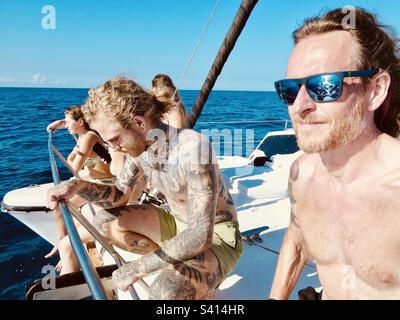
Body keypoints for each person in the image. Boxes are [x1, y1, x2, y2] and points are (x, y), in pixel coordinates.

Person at [47, 77, 243, 299]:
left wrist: (138, 267)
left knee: (165, 291)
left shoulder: (193, 148)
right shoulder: (141, 149)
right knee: (104, 222)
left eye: (113, 139)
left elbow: (199, 236)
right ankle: (175, 265)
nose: (112, 147)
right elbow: (120, 194)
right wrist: (78, 186)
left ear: (139, 123)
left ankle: (196, 282)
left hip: (216, 235)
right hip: (176, 222)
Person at [269, 7, 400, 300]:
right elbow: (298, 239)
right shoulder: (301, 175)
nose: (299, 105)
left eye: (324, 85)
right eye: (290, 89)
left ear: (375, 90)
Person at [46, 106, 115, 274]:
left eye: (69, 122)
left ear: (80, 122)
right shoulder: (84, 136)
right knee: (59, 208)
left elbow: (74, 166)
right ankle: (62, 242)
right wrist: (60, 124)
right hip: (95, 178)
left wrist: (80, 154)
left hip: (105, 182)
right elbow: (74, 161)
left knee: (59, 206)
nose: (67, 125)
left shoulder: (88, 137)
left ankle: (62, 245)